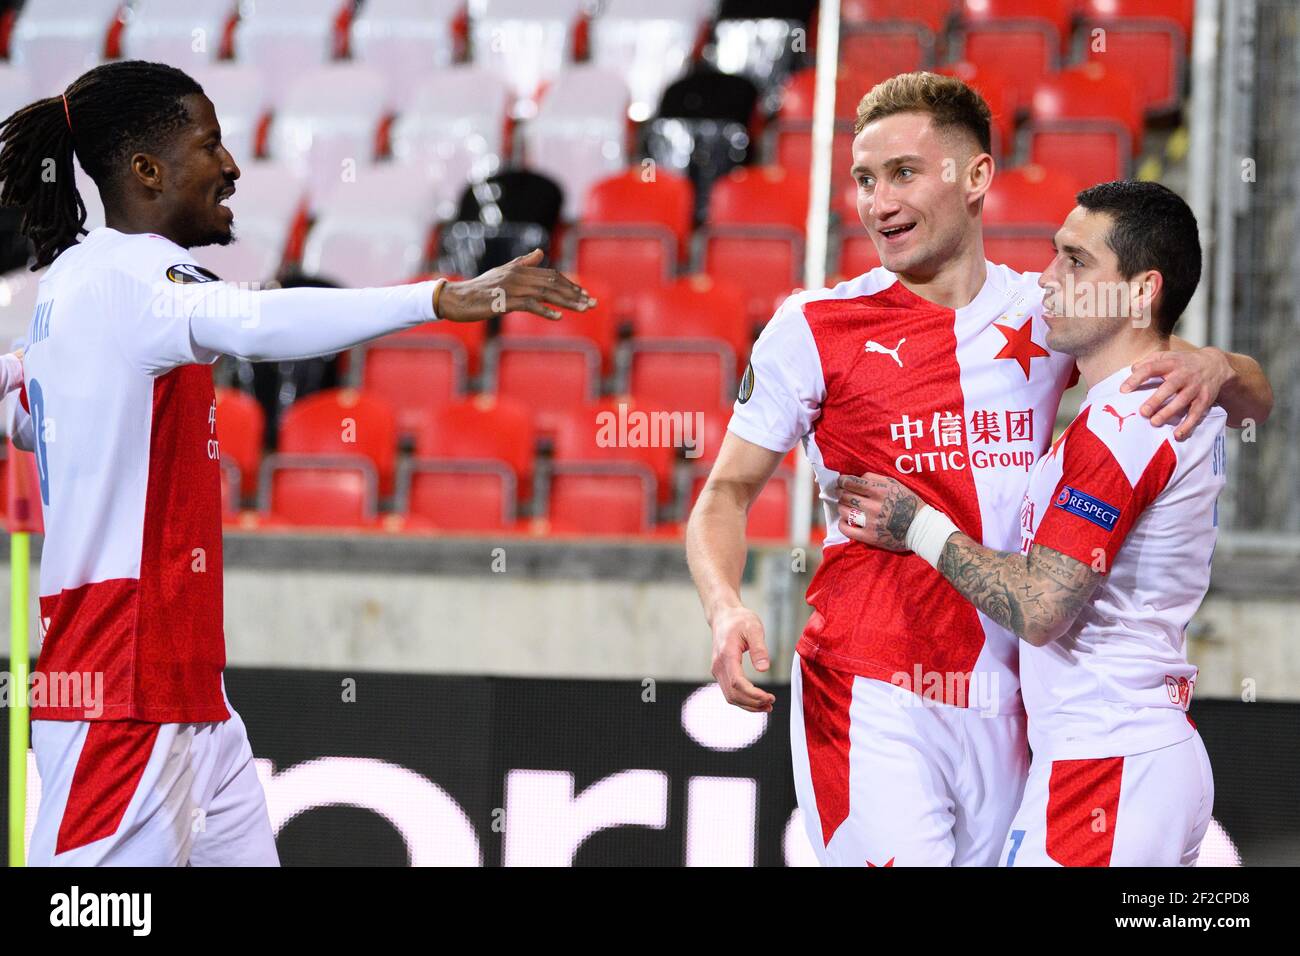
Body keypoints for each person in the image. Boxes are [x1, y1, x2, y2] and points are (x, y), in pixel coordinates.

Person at [0, 60, 594, 866]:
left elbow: (42, 419)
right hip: (124, 694)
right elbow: (255, 322)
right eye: (210, 145)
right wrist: (440, 298)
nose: (232, 166)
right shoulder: (130, 281)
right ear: (146, 170)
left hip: (184, 697)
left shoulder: (76, 287)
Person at [685, 72, 1272, 867]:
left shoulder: (1051, 311)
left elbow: (1238, 390)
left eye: (903, 174)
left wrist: (1217, 364)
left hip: (1014, 708)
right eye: (864, 179)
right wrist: (724, 608)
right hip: (872, 688)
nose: (878, 202)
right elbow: (725, 491)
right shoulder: (812, 326)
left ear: (977, 177)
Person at [836, 181, 1224, 866]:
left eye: (1076, 262)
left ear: (1141, 292)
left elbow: (1042, 606)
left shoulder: (1126, 424)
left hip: (1105, 765)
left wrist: (915, 524)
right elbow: (1258, 394)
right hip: (1136, 754)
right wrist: (1227, 364)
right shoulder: (1169, 396)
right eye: (1054, 255)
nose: (1047, 278)